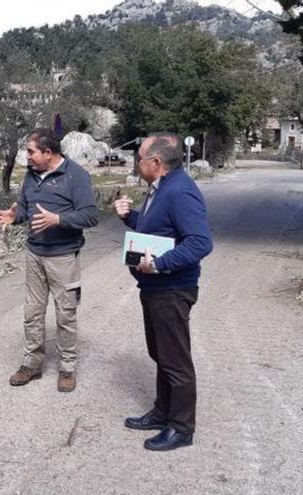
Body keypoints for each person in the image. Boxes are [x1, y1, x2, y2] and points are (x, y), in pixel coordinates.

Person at [113, 133, 213, 451]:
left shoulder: (180, 191)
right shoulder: (162, 188)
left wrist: (158, 264)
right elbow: (159, 228)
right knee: (162, 355)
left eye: (139, 158)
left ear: (155, 163)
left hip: (171, 288)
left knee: (175, 359)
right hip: (156, 288)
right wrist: (130, 217)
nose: (136, 163)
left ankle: (182, 428)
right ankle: (163, 412)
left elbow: (200, 242)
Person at [0, 128, 99, 392]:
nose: (26, 157)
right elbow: (25, 208)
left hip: (63, 257)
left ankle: (67, 368)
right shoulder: (31, 175)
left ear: (48, 153)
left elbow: (90, 216)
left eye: (31, 152)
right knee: (32, 312)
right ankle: (32, 364)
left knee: (65, 314)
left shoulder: (76, 176)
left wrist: (58, 219)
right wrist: (13, 215)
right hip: (34, 254)